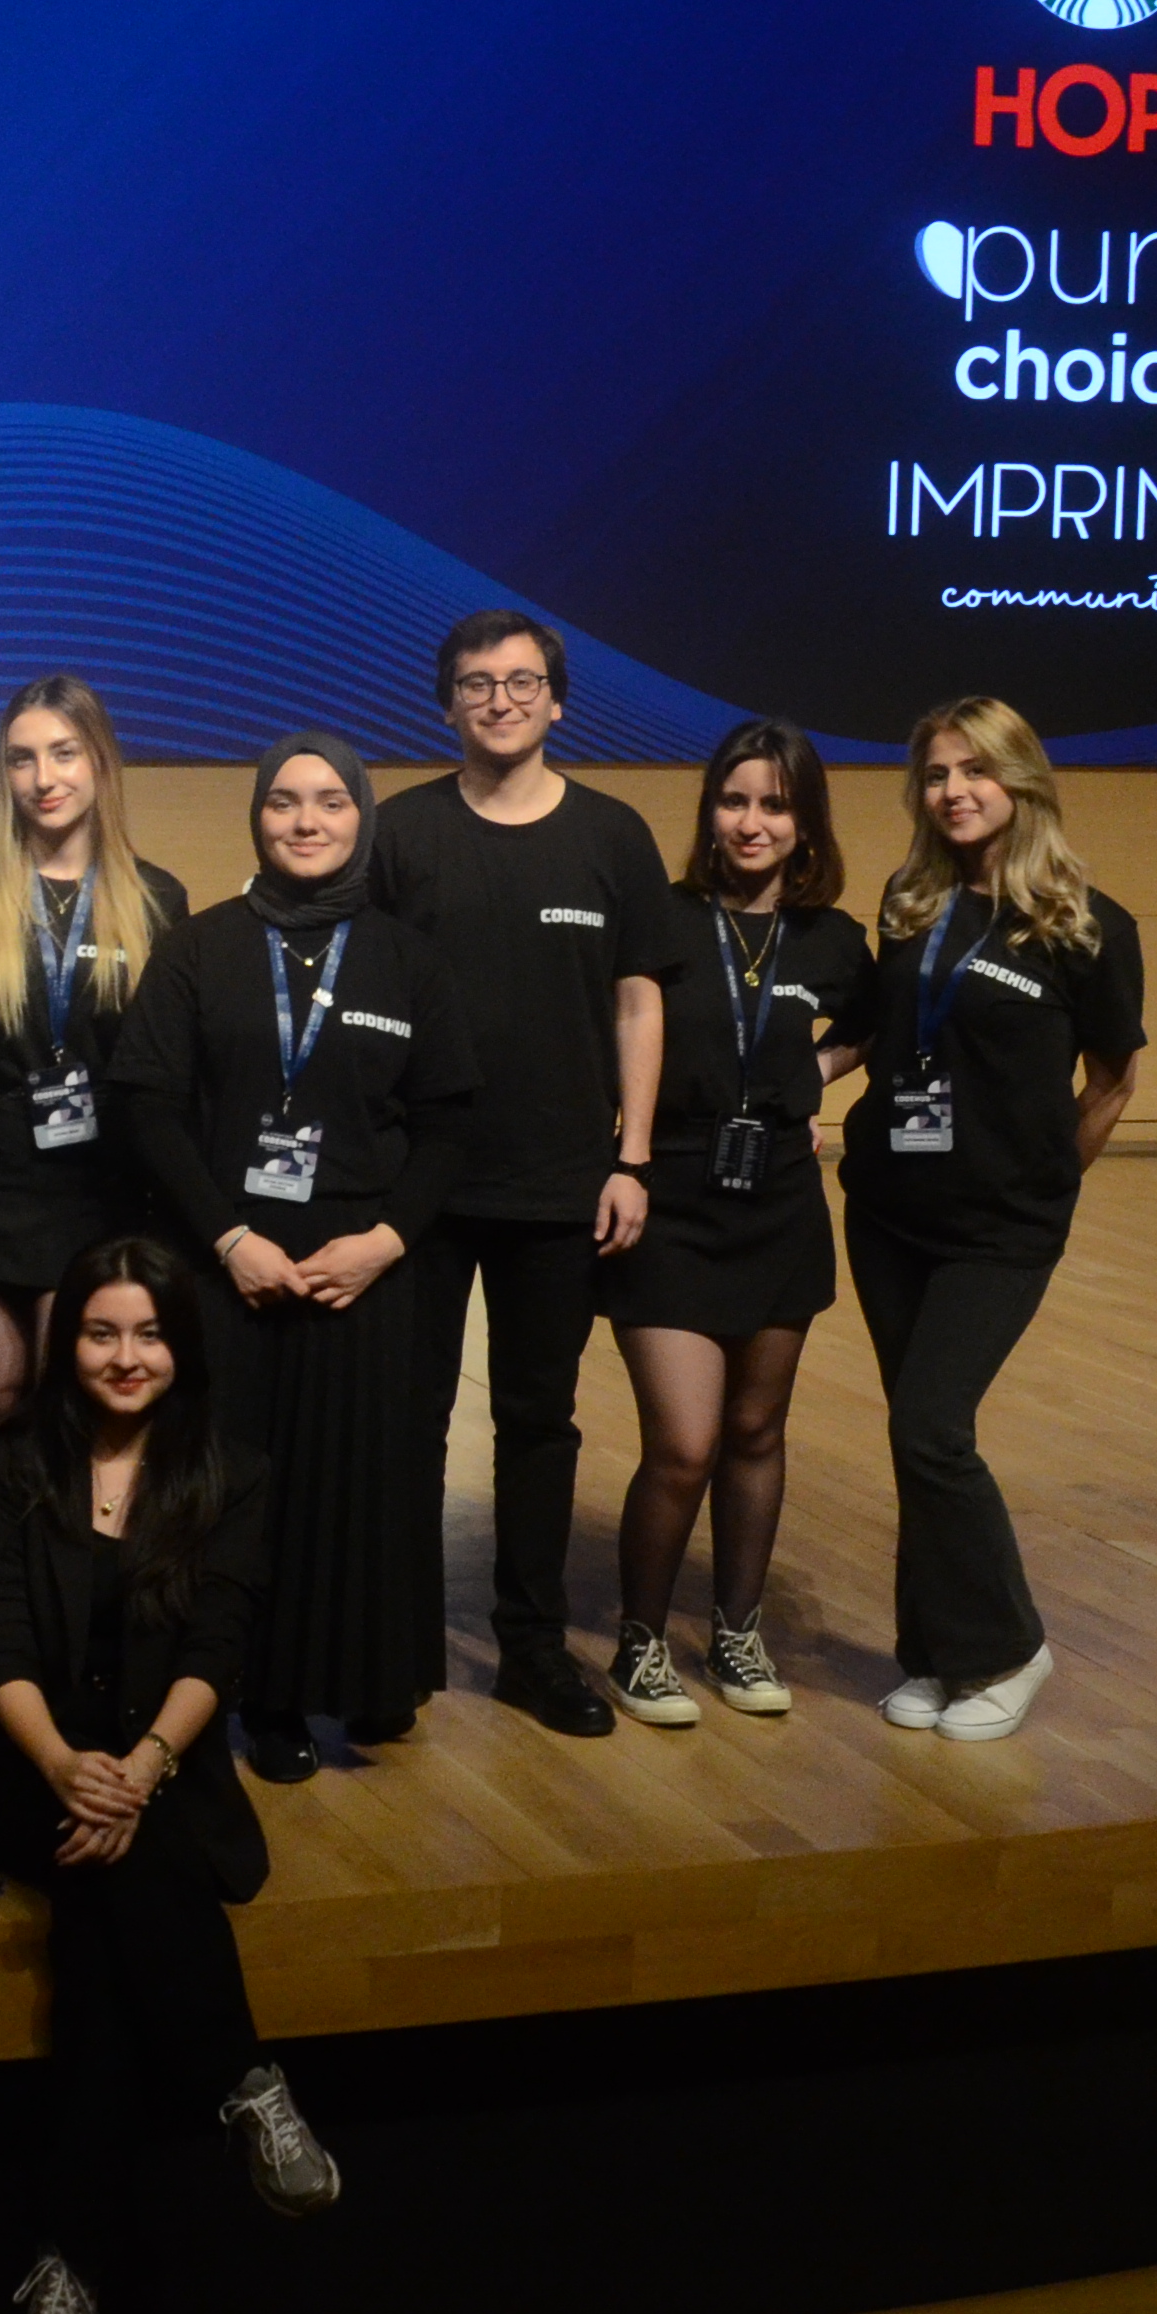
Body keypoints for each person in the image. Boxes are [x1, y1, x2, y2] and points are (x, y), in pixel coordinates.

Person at [0, 1238, 339, 2314]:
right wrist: (69, 1767)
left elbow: (217, 1647)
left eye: (148, 1335)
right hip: (28, 1762)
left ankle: (66, 2261)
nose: (124, 1356)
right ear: (67, 1345)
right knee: (122, 1881)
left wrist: (141, 1765)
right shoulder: (13, 1460)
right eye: (100, 1333)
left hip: (158, 1763)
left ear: (180, 1348)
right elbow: (3, 1645)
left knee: (99, 1957)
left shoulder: (231, 1473)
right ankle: (241, 2078)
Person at [112, 733, 476, 1779]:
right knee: (241, 1489)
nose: (305, 821)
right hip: (230, 1260)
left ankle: (364, 1673)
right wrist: (228, 1240)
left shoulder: (408, 958)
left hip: (362, 1265)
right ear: (256, 817)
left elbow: (449, 1121)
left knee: (360, 1486)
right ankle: (264, 1697)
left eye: (329, 802)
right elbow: (148, 1106)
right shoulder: (200, 947)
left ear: (362, 817)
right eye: (283, 802)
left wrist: (385, 1241)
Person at [363, 611, 684, 1741]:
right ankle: (393, 1645)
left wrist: (631, 1157)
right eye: (475, 684)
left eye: (520, 682)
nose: (498, 701)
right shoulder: (399, 833)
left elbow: (637, 1001)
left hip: (560, 1183)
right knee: (408, 1421)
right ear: (444, 702)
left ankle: (531, 1648)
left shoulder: (612, 834)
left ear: (557, 699)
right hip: (421, 1186)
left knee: (538, 1424)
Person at [841, 699, 1144, 1746]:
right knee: (914, 1435)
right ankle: (935, 1652)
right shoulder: (909, 902)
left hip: (998, 1233)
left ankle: (1009, 1648)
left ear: (1021, 781)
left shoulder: (1086, 926)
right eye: (935, 774)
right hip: (887, 1215)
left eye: (975, 770)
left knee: (931, 1428)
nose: (953, 791)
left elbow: (1111, 1081)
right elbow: (877, 1036)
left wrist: (1045, 1184)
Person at [601, 720, 871, 1725]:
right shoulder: (662, 919)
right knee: (684, 1442)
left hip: (780, 1205)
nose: (751, 823)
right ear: (709, 809)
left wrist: (809, 1077)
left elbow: (866, 1027)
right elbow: (620, 1026)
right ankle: (639, 1641)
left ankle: (736, 1632)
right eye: (733, 800)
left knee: (756, 1432)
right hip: (669, 1195)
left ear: (805, 823)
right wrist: (624, 1156)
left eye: (774, 805)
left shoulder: (833, 940)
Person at [0, 676, 189, 1428]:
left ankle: (67, 1514)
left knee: (63, 1390)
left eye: (64, 753)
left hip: (96, 1187)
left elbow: (163, 1070)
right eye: (22, 759)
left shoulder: (155, 898)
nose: (43, 778)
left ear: (100, 760)